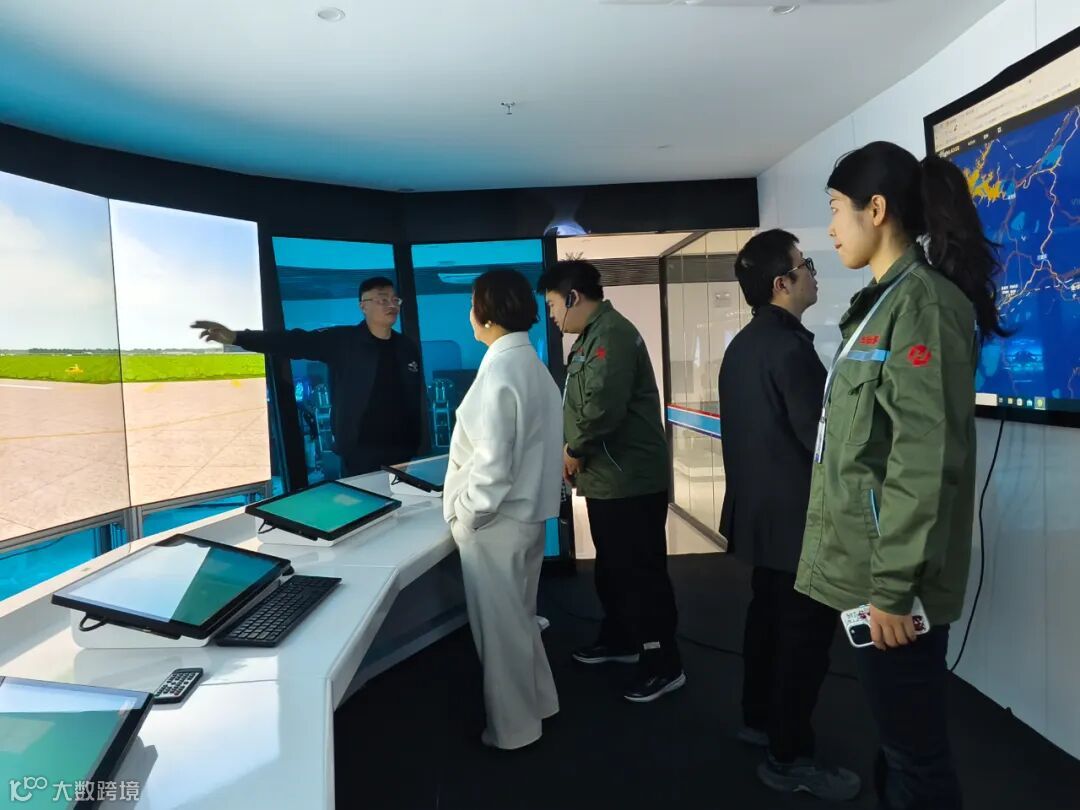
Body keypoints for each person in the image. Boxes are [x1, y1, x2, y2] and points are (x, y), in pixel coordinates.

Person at [799, 141, 1006, 810]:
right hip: (871, 576)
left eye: (837, 209)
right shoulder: (883, 303)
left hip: (893, 588)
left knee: (917, 759)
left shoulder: (923, 306)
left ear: (877, 209)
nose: (831, 227)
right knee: (898, 746)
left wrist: (891, 589)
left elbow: (924, 458)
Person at [719, 230, 860, 800]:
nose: (814, 274)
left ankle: (759, 720)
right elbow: (820, 442)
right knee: (802, 645)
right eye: (807, 266)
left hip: (763, 524)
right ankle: (790, 757)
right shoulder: (790, 350)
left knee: (767, 629)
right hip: (800, 527)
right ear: (782, 283)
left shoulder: (744, 345)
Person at [538, 260, 684, 703]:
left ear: (573, 297)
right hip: (608, 479)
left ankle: (663, 663)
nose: (551, 315)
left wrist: (573, 449)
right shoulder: (591, 336)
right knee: (614, 568)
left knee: (640, 573)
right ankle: (622, 639)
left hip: (629, 482)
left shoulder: (612, 336)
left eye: (552, 305)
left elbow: (602, 406)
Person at [443, 269, 563, 750]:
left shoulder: (500, 370)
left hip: (495, 524)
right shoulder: (531, 365)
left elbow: (492, 464)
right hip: (525, 519)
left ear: (487, 313)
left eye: (473, 304)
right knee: (519, 622)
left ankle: (513, 731)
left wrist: (466, 516)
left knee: (500, 635)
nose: (470, 314)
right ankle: (541, 702)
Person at [193, 277, 425, 476]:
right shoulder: (344, 341)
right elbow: (294, 341)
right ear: (363, 306)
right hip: (360, 449)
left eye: (395, 300)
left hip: (402, 448)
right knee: (368, 504)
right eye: (382, 299)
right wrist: (238, 337)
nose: (391, 305)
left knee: (403, 501)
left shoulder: (406, 347)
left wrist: (416, 442)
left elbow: (415, 397)